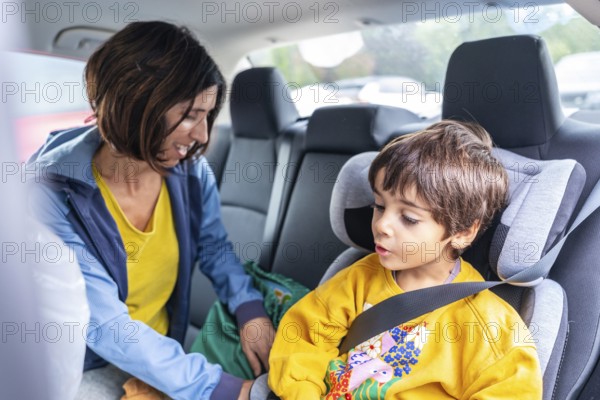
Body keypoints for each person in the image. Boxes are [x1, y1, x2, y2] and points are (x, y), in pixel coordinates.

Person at [27, 21, 274, 400]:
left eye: (208, 115)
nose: (204, 136)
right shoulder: (51, 194)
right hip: (86, 361)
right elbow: (105, 325)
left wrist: (248, 308)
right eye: (191, 115)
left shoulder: (191, 173)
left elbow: (213, 246)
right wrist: (222, 388)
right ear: (137, 104)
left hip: (162, 352)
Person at [267, 121, 543, 399]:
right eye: (380, 206)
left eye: (409, 218)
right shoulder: (358, 279)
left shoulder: (488, 325)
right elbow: (302, 338)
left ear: (462, 232)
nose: (382, 225)